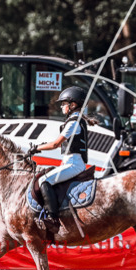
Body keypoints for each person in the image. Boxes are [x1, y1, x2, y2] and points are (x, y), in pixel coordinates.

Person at [26, 85, 90, 231]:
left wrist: (36, 148)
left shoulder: (74, 122)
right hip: (70, 162)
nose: (62, 107)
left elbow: (55, 144)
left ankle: (53, 219)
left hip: (74, 164)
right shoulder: (75, 120)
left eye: (64, 104)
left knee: (43, 180)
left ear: (73, 105)